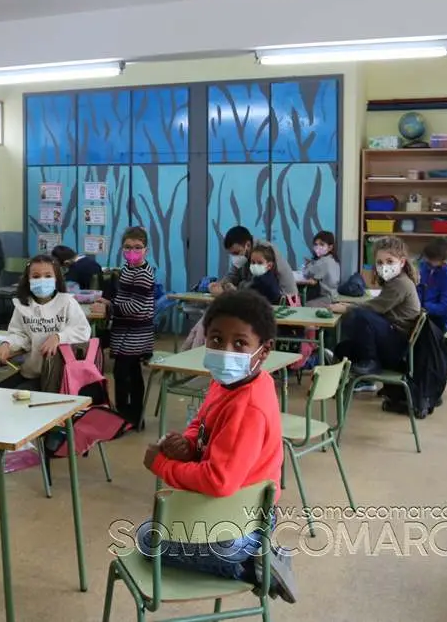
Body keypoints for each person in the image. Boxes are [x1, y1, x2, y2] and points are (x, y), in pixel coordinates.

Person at [137, 290, 296, 603]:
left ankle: (252, 566)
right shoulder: (230, 382)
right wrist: (189, 442)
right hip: (240, 512)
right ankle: (255, 554)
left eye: (240, 343)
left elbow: (218, 481)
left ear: (264, 351)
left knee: (146, 539)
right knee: (156, 528)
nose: (225, 350)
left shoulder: (248, 407)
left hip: (240, 525)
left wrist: (163, 465)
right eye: (216, 339)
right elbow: (204, 420)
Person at [0, 255, 91, 389]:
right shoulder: (23, 306)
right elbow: (19, 334)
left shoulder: (67, 302)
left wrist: (59, 337)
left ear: (56, 278)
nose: (42, 280)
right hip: (32, 371)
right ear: (28, 279)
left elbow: (82, 330)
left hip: (60, 375)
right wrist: (7, 344)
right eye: (36, 276)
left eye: (48, 276)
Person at [329, 236, 421, 377]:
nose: (384, 266)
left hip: (397, 346)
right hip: (391, 339)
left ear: (402, 262)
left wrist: (347, 308)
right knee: (343, 349)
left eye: (390, 261)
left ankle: (371, 362)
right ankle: (363, 381)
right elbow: (376, 305)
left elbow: (375, 308)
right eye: (380, 262)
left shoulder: (400, 283)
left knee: (362, 317)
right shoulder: (394, 281)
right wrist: (350, 305)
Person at [96, 227, 155, 429]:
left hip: (135, 335)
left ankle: (129, 417)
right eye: (128, 247)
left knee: (125, 376)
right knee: (127, 374)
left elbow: (135, 307)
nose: (133, 251)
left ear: (146, 250)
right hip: (124, 333)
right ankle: (128, 416)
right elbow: (124, 299)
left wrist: (110, 306)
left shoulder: (144, 274)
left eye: (138, 247)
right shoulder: (128, 269)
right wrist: (110, 301)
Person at [214, 226, 297, 297]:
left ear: (248, 245)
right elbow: (232, 275)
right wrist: (220, 285)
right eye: (232, 254)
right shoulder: (242, 255)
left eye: (236, 253)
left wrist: (236, 287)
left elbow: (257, 285)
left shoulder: (264, 251)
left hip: (284, 300)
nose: (235, 257)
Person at [416, 238, 447, 331]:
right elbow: (419, 288)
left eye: (432, 258)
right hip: (421, 311)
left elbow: (445, 307)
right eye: (427, 257)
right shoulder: (425, 266)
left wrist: (423, 306)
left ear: (442, 259)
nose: (427, 260)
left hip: (438, 319)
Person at [302, 230, 341, 306]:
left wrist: (309, 264)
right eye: (316, 244)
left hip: (324, 298)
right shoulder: (333, 259)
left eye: (322, 244)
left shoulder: (323, 261)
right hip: (334, 296)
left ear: (330, 247)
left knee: (304, 305)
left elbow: (306, 273)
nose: (318, 247)